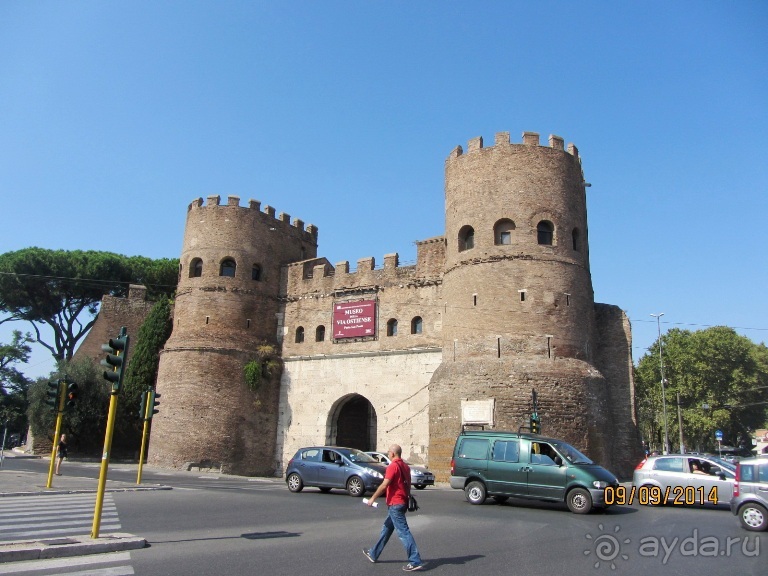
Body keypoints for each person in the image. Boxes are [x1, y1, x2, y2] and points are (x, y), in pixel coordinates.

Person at [363, 444, 424, 571]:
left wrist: (372, 498)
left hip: (395, 504)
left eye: (388, 452)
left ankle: (415, 560)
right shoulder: (405, 467)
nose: (388, 454)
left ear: (392, 453)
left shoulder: (393, 466)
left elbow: (385, 485)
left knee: (403, 532)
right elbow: (407, 485)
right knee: (386, 528)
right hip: (401, 502)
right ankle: (374, 553)